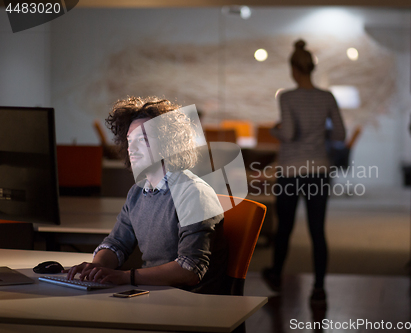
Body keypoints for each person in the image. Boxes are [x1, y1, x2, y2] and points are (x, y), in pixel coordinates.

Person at [66, 97, 227, 294]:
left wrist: (126, 277)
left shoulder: (193, 192)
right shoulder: (138, 192)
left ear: (169, 143)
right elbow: (116, 243)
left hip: (189, 304)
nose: (131, 149)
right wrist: (98, 266)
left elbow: (190, 269)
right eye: (129, 140)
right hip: (153, 294)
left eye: (142, 140)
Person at [262, 40, 346, 306]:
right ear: (311, 68)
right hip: (319, 169)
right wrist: (321, 134)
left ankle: (276, 274)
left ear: (293, 70)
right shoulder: (327, 97)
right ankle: (319, 288)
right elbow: (341, 134)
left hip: (290, 171)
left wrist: (275, 130)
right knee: (317, 230)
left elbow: (287, 133)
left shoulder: (286, 96)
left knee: (284, 227)